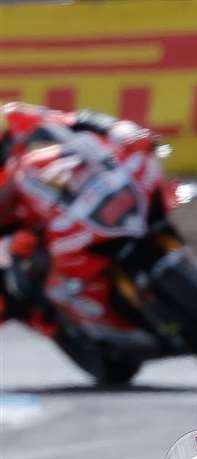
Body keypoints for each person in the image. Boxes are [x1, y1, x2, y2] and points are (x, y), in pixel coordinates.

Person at [0, 102, 156, 335]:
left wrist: (115, 128)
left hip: (86, 194)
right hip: (35, 230)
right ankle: (56, 326)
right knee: (17, 272)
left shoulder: (18, 119)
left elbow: (76, 119)